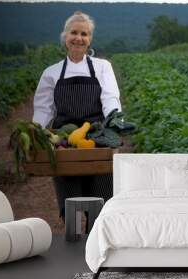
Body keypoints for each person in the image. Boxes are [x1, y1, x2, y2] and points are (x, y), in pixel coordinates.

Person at [32, 11, 121, 221]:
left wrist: (115, 126)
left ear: (90, 39)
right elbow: (44, 109)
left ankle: (97, 249)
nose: (79, 38)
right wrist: (35, 132)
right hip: (64, 143)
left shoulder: (102, 67)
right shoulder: (51, 73)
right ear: (65, 36)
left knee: (101, 204)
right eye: (74, 32)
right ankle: (72, 245)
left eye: (84, 33)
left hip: (96, 139)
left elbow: (110, 99)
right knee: (70, 205)